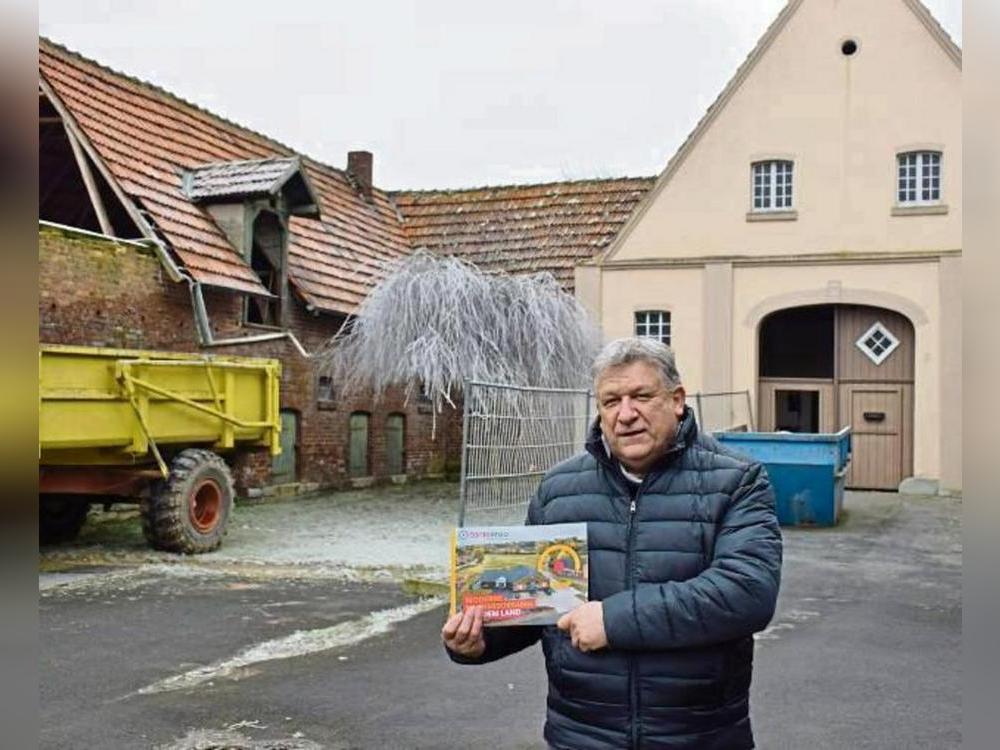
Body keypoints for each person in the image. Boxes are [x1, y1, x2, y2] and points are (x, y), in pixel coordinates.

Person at [442, 337, 782, 750]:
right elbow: (540, 601)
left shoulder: (737, 480)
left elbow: (746, 593)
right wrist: (480, 641)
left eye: (641, 396)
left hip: (698, 735)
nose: (626, 415)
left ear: (677, 400)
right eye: (611, 401)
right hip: (582, 734)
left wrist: (613, 621)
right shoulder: (559, 489)